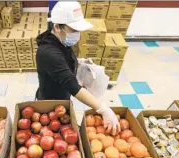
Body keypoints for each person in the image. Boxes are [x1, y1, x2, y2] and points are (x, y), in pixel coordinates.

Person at [35, 2, 121, 135]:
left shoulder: (58, 39)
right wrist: (102, 109)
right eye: (74, 30)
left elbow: (62, 60)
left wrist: (77, 64)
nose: (77, 34)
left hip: (62, 94)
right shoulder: (48, 52)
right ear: (57, 27)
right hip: (51, 103)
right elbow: (72, 86)